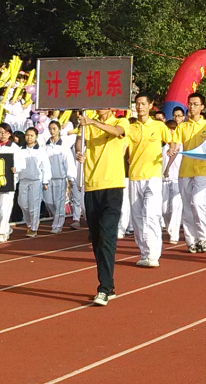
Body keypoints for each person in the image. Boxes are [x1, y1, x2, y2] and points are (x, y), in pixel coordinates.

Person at [78, 107, 127, 306]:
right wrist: (79, 152)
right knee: (97, 238)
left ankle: (104, 288)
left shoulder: (121, 122)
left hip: (112, 186)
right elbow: (79, 141)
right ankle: (109, 284)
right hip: (91, 185)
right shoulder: (86, 123)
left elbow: (116, 132)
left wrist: (93, 122)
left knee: (107, 235)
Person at [126, 94, 173, 268]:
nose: (140, 107)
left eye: (143, 104)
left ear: (150, 105)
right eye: (137, 104)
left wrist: (171, 150)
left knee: (151, 215)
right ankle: (144, 252)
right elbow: (123, 147)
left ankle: (153, 254)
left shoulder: (159, 126)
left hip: (153, 176)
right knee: (137, 217)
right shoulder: (131, 127)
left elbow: (172, 141)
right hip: (135, 176)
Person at [167, 93, 206, 254]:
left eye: (195, 104)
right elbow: (176, 144)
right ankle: (191, 240)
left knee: (198, 203)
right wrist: (171, 151)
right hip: (185, 170)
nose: (192, 107)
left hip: (202, 169)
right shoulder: (182, 126)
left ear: (202, 107)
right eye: (190, 104)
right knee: (187, 206)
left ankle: (204, 237)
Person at [0, 123, 20, 242]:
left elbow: (21, 163)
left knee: (4, 207)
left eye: (5, 133)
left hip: (8, 181)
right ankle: (6, 228)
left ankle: (2, 233)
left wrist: (16, 169)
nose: (2, 135)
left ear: (9, 134)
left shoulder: (14, 147)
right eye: (0, 132)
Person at [17, 127, 50, 237]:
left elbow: (45, 166)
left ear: (36, 137)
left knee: (34, 205)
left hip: (36, 181)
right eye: (27, 135)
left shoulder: (40, 151)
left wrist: (45, 181)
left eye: (31, 135)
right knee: (22, 204)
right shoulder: (20, 150)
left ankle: (33, 227)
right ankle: (29, 223)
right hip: (23, 180)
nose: (29, 138)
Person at [44, 121, 75, 233]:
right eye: (50, 129)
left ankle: (57, 225)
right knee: (48, 202)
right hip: (48, 178)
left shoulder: (63, 146)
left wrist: (70, 178)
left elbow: (69, 162)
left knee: (59, 202)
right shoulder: (45, 146)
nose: (52, 131)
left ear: (59, 130)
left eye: (54, 129)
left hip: (60, 178)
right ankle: (55, 218)